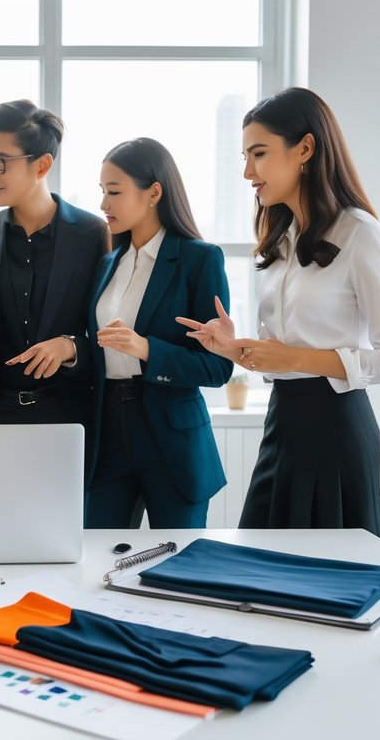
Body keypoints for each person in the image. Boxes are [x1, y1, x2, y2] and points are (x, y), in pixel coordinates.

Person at [177, 87, 380, 556]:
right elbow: (281, 357)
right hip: (282, 427)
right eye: (245, 156)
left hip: (337, 432)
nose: (247, 172)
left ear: (305, 149)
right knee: (265, 579)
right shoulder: (280, 237)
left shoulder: (359, 232)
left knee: (334, 586)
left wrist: (291, 357)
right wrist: (236, 349)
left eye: (259, 154)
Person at [85, 138, 233, 529]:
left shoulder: (200, 259)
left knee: (181, 564)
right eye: (102, 191)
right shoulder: (106, 264)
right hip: (108, 434)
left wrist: (148, 349)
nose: (103, 205)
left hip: (171, 440)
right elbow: (97, 349)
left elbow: (217, 369)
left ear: (154, 193)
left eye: (114, 192)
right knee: (98, 558)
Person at [0, 100, 108, 430]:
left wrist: (69, 346)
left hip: (67, 417)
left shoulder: (92, 234)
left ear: (41, 166)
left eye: (0, 163)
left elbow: (107, 332)